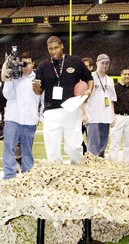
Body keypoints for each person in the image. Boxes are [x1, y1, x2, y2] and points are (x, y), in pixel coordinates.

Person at [32, 35, 93, 163]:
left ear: (62, 46)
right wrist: (35, 87)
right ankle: (56, 179)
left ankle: (77, 173)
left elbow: (89, 79)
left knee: (74, 148)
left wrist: (88, 90)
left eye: (56, 48)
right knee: (52, 151)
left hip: (71, 108)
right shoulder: (43, 66)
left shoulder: (75, 61)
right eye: (50, 49)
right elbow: (38, 92)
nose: (54, 51)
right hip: (51, 111)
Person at [2, 51, 40, 179]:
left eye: (28, 64)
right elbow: (7, 95)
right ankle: (9, 177)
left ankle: (27, 176)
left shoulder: (38, 78)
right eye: (23, 64)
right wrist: (9, 79)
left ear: (33, 63)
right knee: (9, 148)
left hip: (30, 120)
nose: (25, 67)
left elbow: (42, 98)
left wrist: (41, 116)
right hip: (13, 117)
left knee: (27, 151)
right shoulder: (14, 76)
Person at [85, 54, 117, 158]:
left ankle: (99, 169)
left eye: (107, 63)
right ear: (97, 63)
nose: (105, 65)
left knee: (102, 147)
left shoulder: (110, 80)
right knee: (93, 149)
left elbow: (112, 100)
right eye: (102, 63)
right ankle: (91, 169)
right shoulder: (90, 77)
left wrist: (112, 116)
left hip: (106, 117)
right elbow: (84, 98)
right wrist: (84, 114)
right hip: (93, 117)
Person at [81, 57, 94, 154]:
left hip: (92, 115)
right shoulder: (77, 81)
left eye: (86, 67)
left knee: (92, 141)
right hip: (79, 115)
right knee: (77, 139)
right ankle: (84, 153)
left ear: (91, 67)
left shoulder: (96, 81)